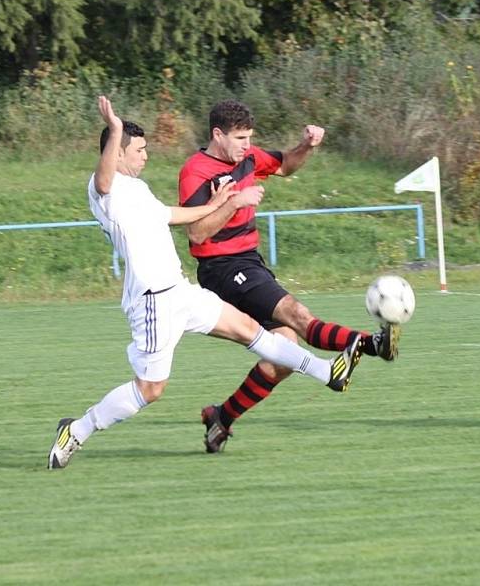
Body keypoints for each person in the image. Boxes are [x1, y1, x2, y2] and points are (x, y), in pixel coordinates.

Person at [47, 96, 362, 470]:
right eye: (139, 150)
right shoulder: (107, 189)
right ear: (117, 153)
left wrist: (218, 204)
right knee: (150, 389)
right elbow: (102, 179)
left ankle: (329, 373)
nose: (145, 156)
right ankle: (78, 430)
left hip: (178, 291)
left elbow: (174, 216)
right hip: (153, 301)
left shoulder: (138, 190)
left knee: (250, 330)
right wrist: (115, 129)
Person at [178, 100, 400, 453]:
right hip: (222, 269)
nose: (246, 145)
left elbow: (285, 166)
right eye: (239, 138)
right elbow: (196, 234)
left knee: (283, 355)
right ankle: (373, 344)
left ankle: (221, 417)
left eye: (249, 137)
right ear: (217, 134)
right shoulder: (197, 170)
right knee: (296, 314)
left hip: (250, 262)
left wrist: (306, 147)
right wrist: (233, 203)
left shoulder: (247, 158)